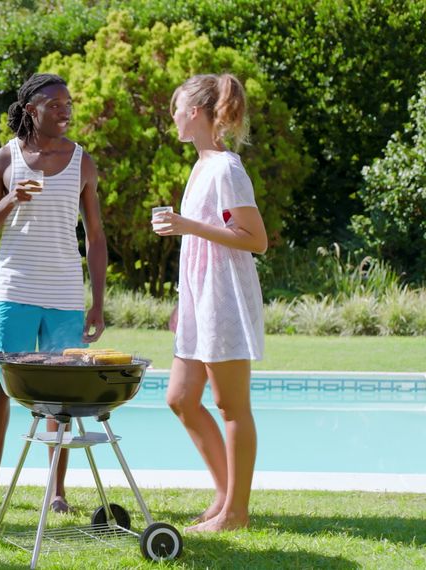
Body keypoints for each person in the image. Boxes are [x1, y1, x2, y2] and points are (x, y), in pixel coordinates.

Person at [0, 73, 108, 513]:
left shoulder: (83, 162)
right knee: (0, 386)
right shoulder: (4, 160)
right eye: (56, 104)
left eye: (69, 103)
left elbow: (96, 236)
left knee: (61, 396)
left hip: (66, 293)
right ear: (32, 109)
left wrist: (99, 302)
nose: (66, 110)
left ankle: (57, 489)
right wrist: (11, 199)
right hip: (14, 289)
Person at [154, 73, 267, 532]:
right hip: (200, 301)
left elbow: (255, 240)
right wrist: (184, 302)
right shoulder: (201, 166)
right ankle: (225, 497)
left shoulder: (226, 168)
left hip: (226, 300)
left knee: (231, 405)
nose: (173, 116)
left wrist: (188, 226)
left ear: (196, 112)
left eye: (178, 108)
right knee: (181, 398)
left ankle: (236, 514)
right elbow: (197, 244)